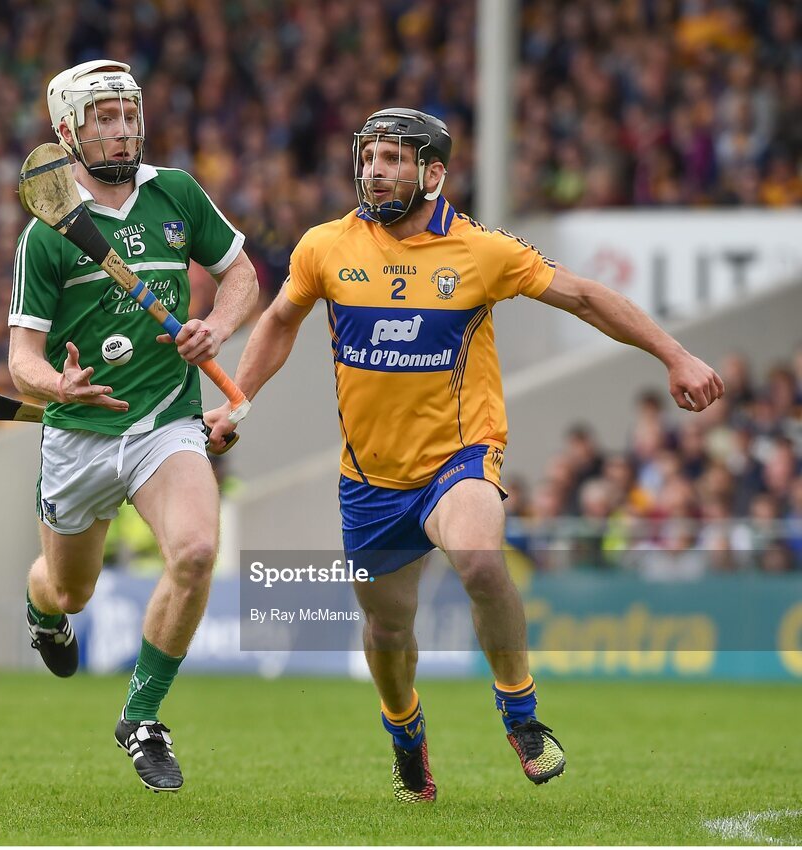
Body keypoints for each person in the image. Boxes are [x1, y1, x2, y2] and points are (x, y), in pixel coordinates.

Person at [206, 107, 723, 802]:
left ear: (433, 172)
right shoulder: (325, 246)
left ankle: (522, 715)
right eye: (368, 157)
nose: (374, 170)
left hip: (459, 457)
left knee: (480, 558)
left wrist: (676, 354)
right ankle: (406, 734)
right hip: (368, 478)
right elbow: (278, 321)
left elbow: (587, 298)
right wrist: (240, 399)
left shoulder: (482, 251)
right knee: (387, 626)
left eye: (392, 158)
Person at [8, 60, 258, 793]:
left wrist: (214, 326)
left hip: (164, 424)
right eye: (102, 118)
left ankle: (142, 717)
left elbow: (242, 274)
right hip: (79, 434)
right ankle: (42, 611)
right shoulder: (46, 234)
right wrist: (61, 383)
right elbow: (21, 358)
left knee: (194, 551)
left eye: (126, 114)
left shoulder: (175, 191)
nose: (121, 130)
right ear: (68, 130)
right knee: (69, 589)